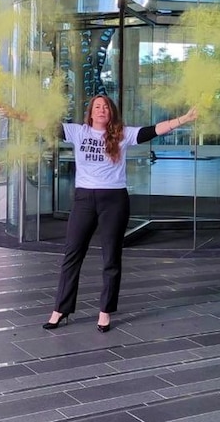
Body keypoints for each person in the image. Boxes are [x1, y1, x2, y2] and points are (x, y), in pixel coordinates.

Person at [21, 95, 197, 333]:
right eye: (97, 107)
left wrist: (184, 119)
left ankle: (105, 311)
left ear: (110, 112)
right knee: (72, 254)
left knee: (111, 257)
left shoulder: (122, 134)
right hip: (84, 199)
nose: (101, 110)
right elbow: (43, 123)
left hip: (114, 200)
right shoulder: (78, 132)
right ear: (91, 113)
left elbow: (153, 130)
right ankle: (60, 309)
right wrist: (15, 114)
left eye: (105, 107)